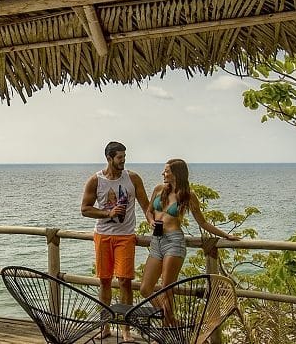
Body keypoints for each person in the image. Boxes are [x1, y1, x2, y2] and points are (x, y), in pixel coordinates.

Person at [139, 159, 240, 317]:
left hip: (174, 242)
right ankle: (170, 320)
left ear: (176, 174)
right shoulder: (159, 189)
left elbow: (203, 222)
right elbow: (149, 211)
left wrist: (226, 235)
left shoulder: (188, 195)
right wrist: (151, 221)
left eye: (166, 171)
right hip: (156, 241)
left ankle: (167, 332)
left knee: (167, 289)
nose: (163, 174)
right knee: (145, 288)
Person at [80, 141, 150, 341]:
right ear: (109, 158)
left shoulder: (133, 178)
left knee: (125, 281)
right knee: (104, 281)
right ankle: (106, 326)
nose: (123, 161)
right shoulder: (96, 180)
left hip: (126, 236)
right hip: (102, 235)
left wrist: (153, 221)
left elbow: (145, 205)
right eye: (120, 157)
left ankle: (126, 329)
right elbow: (85, 209)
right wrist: (107, 212)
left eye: (124, 157)